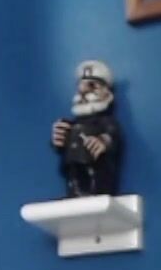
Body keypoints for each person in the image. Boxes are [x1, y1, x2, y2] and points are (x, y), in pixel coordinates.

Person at [51, 60, 122, 197]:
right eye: (81, 86)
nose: (83, 91)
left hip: (95, 169)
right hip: (72, 168)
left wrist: (104, 141)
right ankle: (74, 193)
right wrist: (59, 140)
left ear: (107, 93)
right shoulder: (73, 123)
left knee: (95, 180)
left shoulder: (106, 122)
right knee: (74, 181)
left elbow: (113, 134)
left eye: (92, 86)